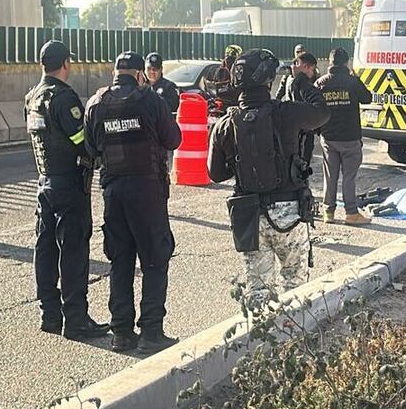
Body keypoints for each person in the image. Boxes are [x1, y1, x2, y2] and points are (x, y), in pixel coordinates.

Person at [207, 48, 330, 307]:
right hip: (288, 212)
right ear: (267, 80)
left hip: (249, 216)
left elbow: (215, 173)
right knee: (294, 286)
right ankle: (294, 341)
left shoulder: (226, 124)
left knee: (258, 291)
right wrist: (302, 83)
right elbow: (322, 113)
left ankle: (262, 342)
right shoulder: (287, 112)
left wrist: (244, 160)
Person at [84, 51, 182, 355]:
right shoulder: (151, 100)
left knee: (121, 261)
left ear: (115, 73)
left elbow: (90, 146)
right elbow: (173, 139)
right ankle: (151, 331)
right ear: (140, 74)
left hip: (113, 192)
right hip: (147, 191)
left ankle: (122, 333)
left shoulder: (96, 103)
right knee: (155, 258)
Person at [24, 40, 109, 341]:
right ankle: (76, 320)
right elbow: (81, 140)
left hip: (44, 182)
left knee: (45, 248)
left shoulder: (32, 97)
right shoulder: (64, 98)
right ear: (66, 64)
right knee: (73, 250)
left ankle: (50, 315)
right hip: (69, 184)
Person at [315, 47, 373, 225]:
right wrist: (356, 78)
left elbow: (313, 107)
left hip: (329, 137)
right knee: (349, 177)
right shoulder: (352, 82)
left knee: (330, 176)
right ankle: (351, 213)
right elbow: (367, 98)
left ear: (330, 62)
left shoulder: (320, 83)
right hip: (350, 138)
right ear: (346, 63)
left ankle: (328, 212)